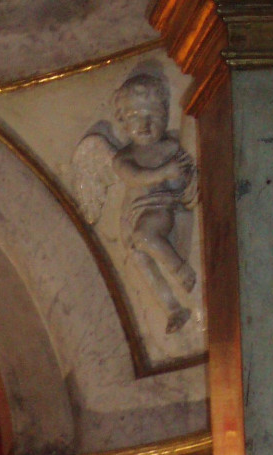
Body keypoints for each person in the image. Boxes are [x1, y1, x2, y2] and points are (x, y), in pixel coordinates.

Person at [111, 73, 197, 334]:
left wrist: (180, 176)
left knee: (145, 236)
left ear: (166, 115)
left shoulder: (171, 147)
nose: (146, 125)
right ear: (123, 121)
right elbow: (134, 177)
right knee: (139, 259)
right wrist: (164, 173)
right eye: (136, 117)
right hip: (134, 214)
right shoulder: (124, 156)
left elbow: (188, 171)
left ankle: (181, 271)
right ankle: (172, 308)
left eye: (154, 117)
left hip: (160, 209)